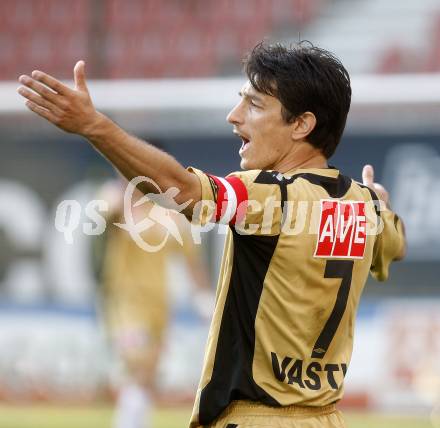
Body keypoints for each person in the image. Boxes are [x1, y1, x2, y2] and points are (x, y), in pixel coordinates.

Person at [18, 41, 406, 428]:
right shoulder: (364, 206)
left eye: (254, 105)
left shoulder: (272, 194)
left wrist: (93, 125)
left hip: (258, 417)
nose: (233, 116)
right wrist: (382, 208)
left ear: (301, 124)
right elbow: (394, 244)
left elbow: (183, 191)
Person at [96, 179, 213, 428]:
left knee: (148, 375)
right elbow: (103, 214)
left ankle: (135, 421)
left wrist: (204, 299)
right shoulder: (116, 199)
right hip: (124, 304)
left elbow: (191, 260)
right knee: (136, 365)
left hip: (158, 306)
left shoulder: (168, 215)